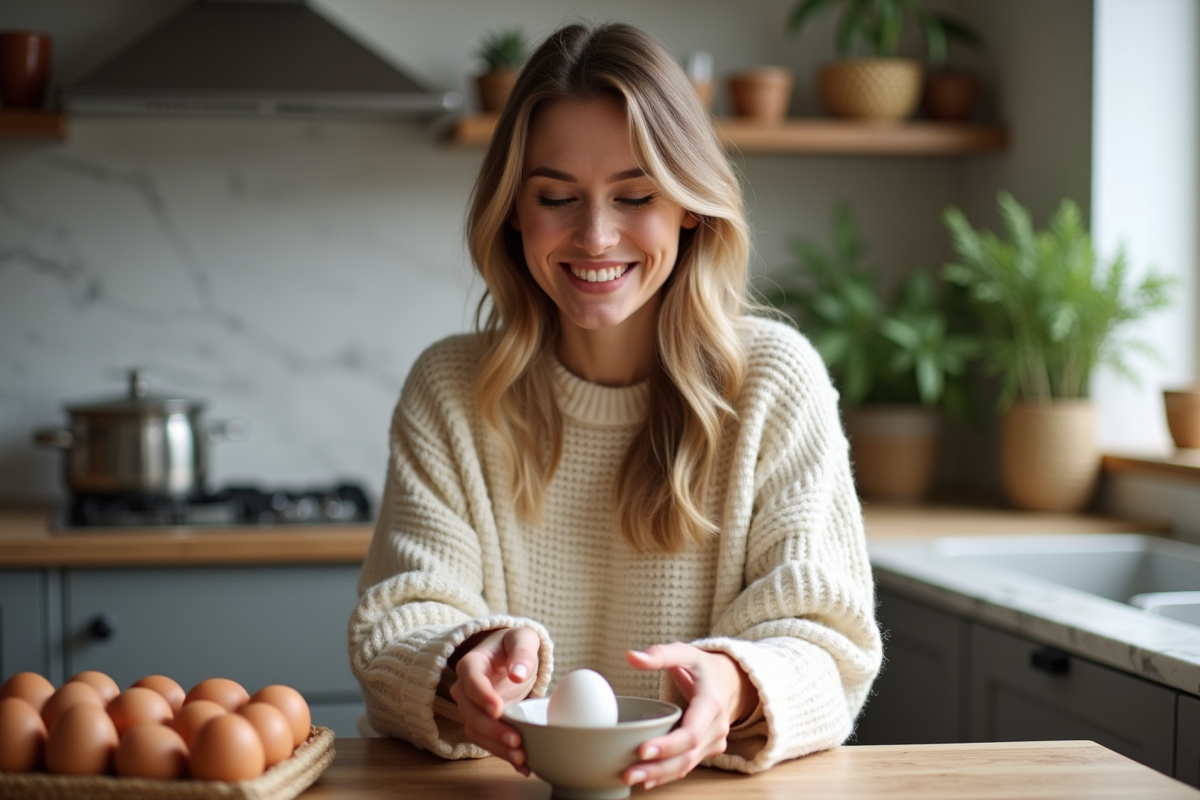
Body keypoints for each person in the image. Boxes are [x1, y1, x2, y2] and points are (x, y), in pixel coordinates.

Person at [348, 21, 881, 789]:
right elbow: (403, 614)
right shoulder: (452, 389)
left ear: (691, 206)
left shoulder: (773, 382)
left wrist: (731, 685)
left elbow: (827, 642)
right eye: (557, 197)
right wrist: (461, 664)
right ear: (513, 213)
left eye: (635, 195)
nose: (596, 237)